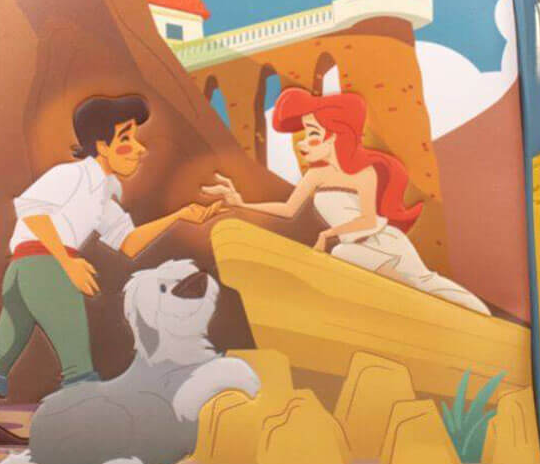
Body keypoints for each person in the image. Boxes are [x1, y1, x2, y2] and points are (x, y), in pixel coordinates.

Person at [0, 94, 224, 445]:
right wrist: (66, 262)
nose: (140, 149)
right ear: (101, 145)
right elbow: (31, 210)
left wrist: (179, 216)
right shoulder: (71, 175)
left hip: (24, 269)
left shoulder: (101, 194)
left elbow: (128, 242)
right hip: (45, 266)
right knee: (76, 356)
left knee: (3, 348)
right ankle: (84, 436)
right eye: (126, 138)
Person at [202, 87, 489, 316]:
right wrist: (240, 203)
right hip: (353, 248)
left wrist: (328, 234)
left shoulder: (363, 174)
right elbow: (288, 210)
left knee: (425, 282)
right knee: (364, 271)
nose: (303, 143)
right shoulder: (316, 175)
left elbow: (367, 219)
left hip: (382, 241)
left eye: (313, 135)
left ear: (335, 137)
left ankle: (481, 316)